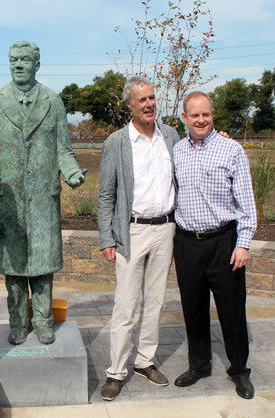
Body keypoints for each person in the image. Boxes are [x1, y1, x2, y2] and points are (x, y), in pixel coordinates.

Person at [0, 41, 86, 346]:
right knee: (13, 269)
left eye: (25, 60)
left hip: (42, 200)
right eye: (13, 60)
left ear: (37, 65)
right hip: (8, 202)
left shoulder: (52, 101)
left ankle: (42, 320)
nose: (18, 65)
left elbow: (63, 149)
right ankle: (18, 322)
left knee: (42, 266)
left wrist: (72, 171)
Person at [98, 76, 180, 401]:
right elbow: (106, 195)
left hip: (165, 228)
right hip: (131, 231)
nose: (149, 104)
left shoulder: (171, 136)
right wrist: (107, 238)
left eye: (152, 98)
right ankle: (116, 371)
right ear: (129, 105)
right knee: (126, 304)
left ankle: (146, 361)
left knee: (156, 300)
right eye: (141, 100)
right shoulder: (117, 142)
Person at [173, 91, 257, 399]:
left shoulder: (231, 150)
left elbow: (247, 202)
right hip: (187, 243)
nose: (200, 120)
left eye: (205, 114)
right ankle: (200, 365)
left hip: (224, 242)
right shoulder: (177, 150)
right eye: (194, 115)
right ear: (184, 118)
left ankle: (239, 370)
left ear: (212, 115)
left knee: (231, 311)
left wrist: (243, 243)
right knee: (193, 309)